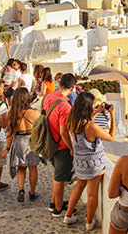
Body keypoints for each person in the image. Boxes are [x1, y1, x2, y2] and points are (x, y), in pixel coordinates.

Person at [63, 91, 115, 230]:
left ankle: (68, 215)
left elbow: (85, 123)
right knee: (92, 194)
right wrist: (112, 116)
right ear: (88, 107)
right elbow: (111, 137)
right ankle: (89, 222)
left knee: (79, 186)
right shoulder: (91, 126)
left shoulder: (72, 120)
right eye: (92, 106)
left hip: (79, 162)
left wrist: (97, 112)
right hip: (93, 164)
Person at [42, 73, 76, 217]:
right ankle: (58, 208)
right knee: (60, 178)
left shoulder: (48, 97)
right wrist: (71, 148)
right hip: (61, 146)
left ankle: (53, 202)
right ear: (72, 88)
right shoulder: (65, 106)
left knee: (57, 175)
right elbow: (64, 132)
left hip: (49, 143)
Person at [2, 88, 40, 202]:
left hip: (19, 141)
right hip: (31, 142)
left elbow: (10, 133)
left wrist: (7, 149)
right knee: (33, 169)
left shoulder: (12, 114)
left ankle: (21, 189)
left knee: (21, 167)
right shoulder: (35, 113)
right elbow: (39, 131)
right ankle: (32, 193)